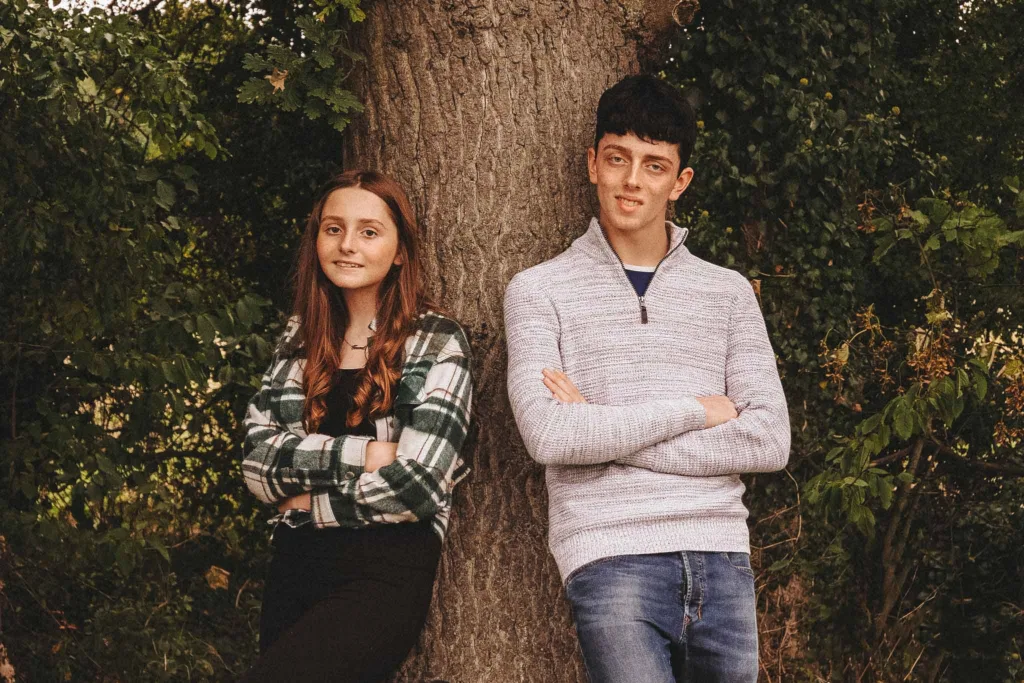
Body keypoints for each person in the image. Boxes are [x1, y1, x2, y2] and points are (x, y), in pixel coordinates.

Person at [503, 75, 791, 682]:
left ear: (679, 182)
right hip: (610, 555)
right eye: (618, 159)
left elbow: (768, 441)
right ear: (593, 164)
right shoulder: (539, 291)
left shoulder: (727, 293)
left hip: (721, 555)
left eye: (654, 165)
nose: (632, 180)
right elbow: (550, 437)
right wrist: (697, 410)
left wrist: (600, 429)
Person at [239, 169, 472, 683]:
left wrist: (307, 501)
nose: (347, 245)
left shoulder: (436, 341)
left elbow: (417, 486)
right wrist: (364, 455)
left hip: (383, 572)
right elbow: (257, 465)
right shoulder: (299, 339)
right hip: (294, 567)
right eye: (333, 229)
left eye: (369, 231)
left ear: (400, 251)